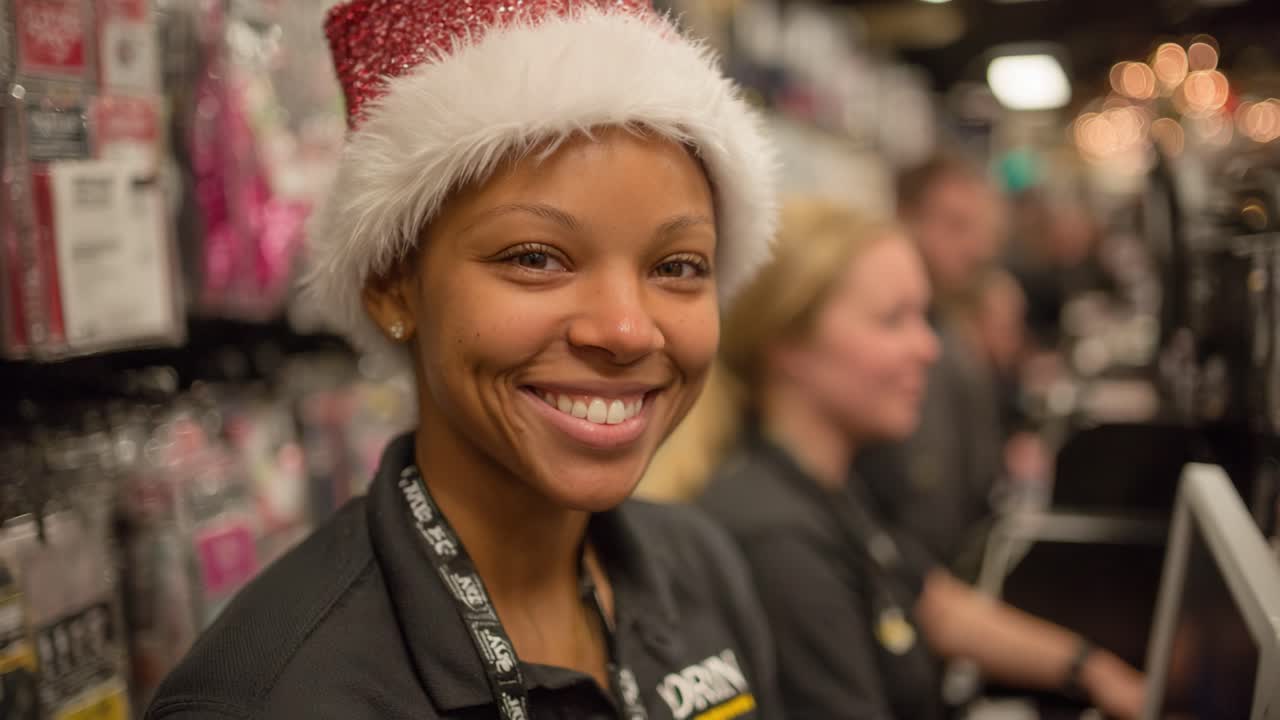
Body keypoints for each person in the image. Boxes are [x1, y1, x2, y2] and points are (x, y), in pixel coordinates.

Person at [144, 1, 783, 718]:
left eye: (678, 266)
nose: (629, 330)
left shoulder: (705, 569)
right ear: (392, 284)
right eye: (536, 257)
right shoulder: (266, 697)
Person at [697, 199, 1145, 719]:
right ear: (789, 344)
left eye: (923, 317)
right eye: (893, 320)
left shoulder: (822, 483)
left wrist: (1093, 669)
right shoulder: (778, 544)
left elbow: (932, 603)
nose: (928, 348)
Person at [855, 153, 1011, 575]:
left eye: (980, 229)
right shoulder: (883, 344)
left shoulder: (955, 321)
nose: (977, 248)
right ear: (905, 219)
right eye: (956, 226)